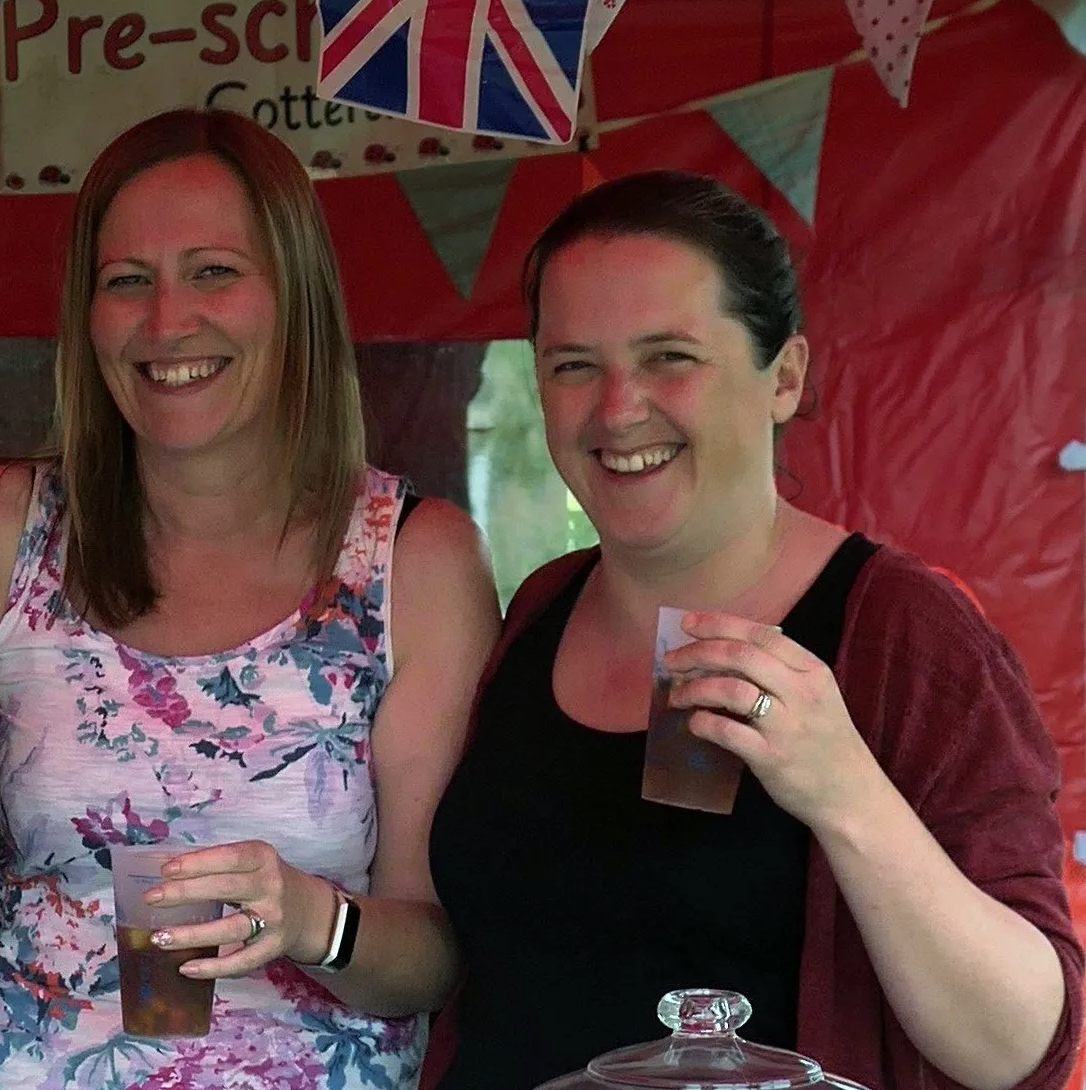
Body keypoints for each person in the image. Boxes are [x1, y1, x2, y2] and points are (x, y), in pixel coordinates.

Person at [428, 170, 1084, 1090]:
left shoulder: (903, 632)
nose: (617, 408)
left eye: (670, 356)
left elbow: (1024, 1046)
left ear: (786, 377)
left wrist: (845, 791)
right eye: (573, 364)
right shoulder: (541, 607)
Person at [0, 108, 501, 1090]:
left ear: (294, 296)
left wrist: (313, 919)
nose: (165, 321)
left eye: (213, 272)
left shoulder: (414, 561)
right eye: (125, 281)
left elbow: (435, 955)